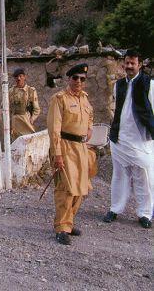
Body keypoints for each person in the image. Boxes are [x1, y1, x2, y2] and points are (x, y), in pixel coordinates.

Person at [103, 50, 154, 229]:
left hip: (141, 140)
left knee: (144, 178)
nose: (129, 66)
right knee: (119, 175)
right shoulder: (118, 85)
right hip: (120, 138)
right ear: (123, 64)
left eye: (133, 63)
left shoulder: (149, 84)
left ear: (139, 65)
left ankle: (145, 213)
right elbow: (116, 109)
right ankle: (115, 209)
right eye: (127, 63)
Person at [47, 63, 94, 245]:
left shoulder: (85, 99)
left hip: (81, 149)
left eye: (82, 79)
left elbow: (90, 115)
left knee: (80, 189)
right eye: (75, 78)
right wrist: (57, 154)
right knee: (66, 189)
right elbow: (54, 130)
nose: (79, 82)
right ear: (69, 79)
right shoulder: (59, 99)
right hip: (65, 148)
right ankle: (61, 227)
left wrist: (89, 128)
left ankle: (69, 222)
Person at [9, 68, 41, 141]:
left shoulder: (31, 90)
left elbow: (37, 109)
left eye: (20, 76)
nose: (19, 79)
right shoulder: (11, 91)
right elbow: (5, 108)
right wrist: (8, 123)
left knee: (29, 142)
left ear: (25, 77)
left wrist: (32, 119)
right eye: (16, 77)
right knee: (16, 144)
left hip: (26, 121)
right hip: (15, 122)